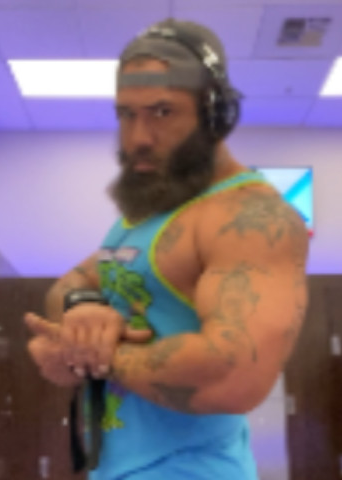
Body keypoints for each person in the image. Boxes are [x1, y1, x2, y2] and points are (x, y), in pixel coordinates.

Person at [25, 18, 309, 480]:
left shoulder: (250, 217)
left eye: (162, 112)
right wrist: (83, 312)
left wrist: (90, 354)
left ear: (215, 114)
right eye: (126, 114)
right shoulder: (147, 216)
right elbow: (73, 281)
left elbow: (235, 376)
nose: (138, 137)